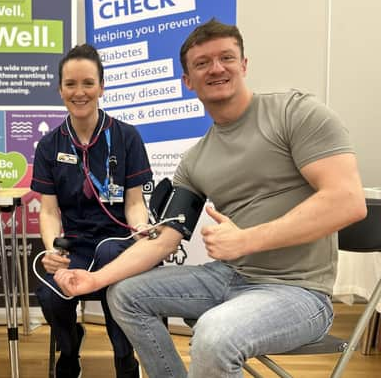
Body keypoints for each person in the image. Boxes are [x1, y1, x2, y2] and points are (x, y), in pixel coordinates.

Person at [54, 20, 367, 377]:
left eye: (226, 58)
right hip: (228, 277)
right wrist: (95, 280)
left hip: (298, 292)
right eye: (202, 63)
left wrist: (247, 239)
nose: (216, 68)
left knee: (213, 337)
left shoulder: (294, 113)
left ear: (244, 65)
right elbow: (163, 242)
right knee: (124, 295)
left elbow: (347, 200)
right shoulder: (196, 160)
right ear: (188, 80)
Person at [31, 44, 153, 378]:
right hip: (74, 247)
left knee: (117, 266)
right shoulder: (49, 145)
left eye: (88, 83)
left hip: (118, 243)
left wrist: (141, 231)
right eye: (71, 84)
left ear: (101, 86)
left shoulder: (126, 137)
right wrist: (53, 250)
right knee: (51, 294)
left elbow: (134, 203)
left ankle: (125, 358)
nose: (79, 92)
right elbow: (49, 211)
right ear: (60, 90)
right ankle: (69, 351)